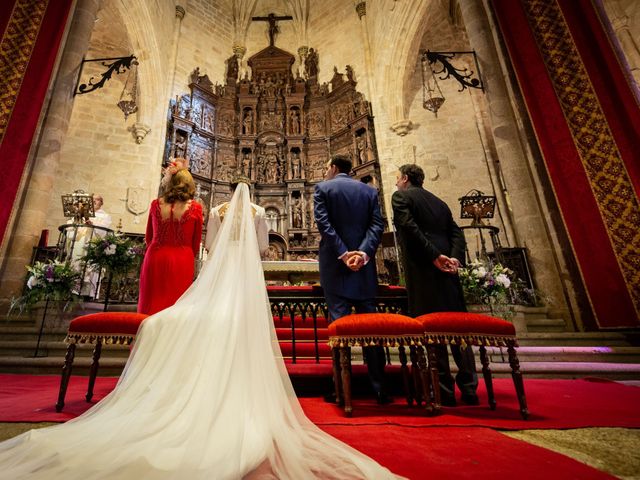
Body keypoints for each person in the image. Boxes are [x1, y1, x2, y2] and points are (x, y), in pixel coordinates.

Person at [0, 179, 403, 480]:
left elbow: (208, 245)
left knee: (206, 319)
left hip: (218, 269)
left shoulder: (216, 211)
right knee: (243, 322)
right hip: (246, 275)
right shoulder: (259, 214)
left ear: (227, 193)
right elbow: (262, 250)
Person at [392, 163, 478, 406]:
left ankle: (444, 390)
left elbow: (409, 228)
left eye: (398, 178)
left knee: (432, 328)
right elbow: (456, 233)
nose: (396, 182)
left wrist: (433, 256)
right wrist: (453, 258)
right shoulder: (439, 202)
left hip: (423, 271)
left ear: (406, 178)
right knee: (457, 329)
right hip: (448, 270)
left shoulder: (401, 197)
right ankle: (470, 387)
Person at [313, 155, 388, 404]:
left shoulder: (323, 189)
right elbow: (377, 226)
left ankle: (341, 388)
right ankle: (379, 387)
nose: (325, 172)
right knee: (372, 328)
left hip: (336, 268)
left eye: (326, 167)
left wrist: (343, 254)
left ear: (333, 167)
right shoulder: (369, 191)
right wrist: (363, 253)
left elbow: (324, 225)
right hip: (363, 269)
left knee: (339, 327)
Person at [137, 159, 203, 315]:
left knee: (151, 302)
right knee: (176, 304)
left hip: (155, 256)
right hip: (182, 258)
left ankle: (146, 335)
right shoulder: (196, 208)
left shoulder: (155, 204)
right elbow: (196, 242)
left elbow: (149, 237)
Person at [205, 177, 269, 258]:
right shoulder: (259, 212)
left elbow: (210, 244)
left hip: (223, 258)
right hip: (247, 258)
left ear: (231, 190)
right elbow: (262, 246)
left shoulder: (216, 211)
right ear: (248, 191)